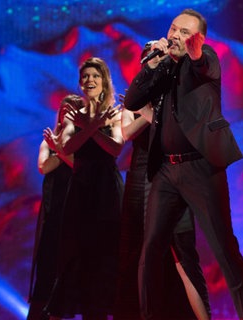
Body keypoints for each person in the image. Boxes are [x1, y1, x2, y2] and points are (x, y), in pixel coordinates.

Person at [123, 9, 243, 319]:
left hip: (201, 167)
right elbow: (131, 102)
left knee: (223, 247)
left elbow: (204, 66)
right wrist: (151, 65)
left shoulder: (205, 59)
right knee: (151, 249)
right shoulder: (164, 67)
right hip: (166, 171)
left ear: (198, 39)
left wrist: (195, 55)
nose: (176, 35)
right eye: (173, 29)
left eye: (185, 32)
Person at [115, 41, 210, 320]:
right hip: (141, 174)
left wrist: (149, 111)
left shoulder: (179, 93)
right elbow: (127, 133)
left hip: (172, 173)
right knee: (140, 254)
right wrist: (148, 110)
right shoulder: (135, 96)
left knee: (183, 255)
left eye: (157, 57)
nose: (152, 61)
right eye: (148, 60)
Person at [44, 57, 124, 320]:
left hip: (107, 191)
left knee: (106, 253)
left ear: (104, 82)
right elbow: (67, 147)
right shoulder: (73, 113)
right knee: (75, 252)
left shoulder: (114, 112)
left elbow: (115, 148)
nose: (89, 80)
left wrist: (94, 126)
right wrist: (92, 125)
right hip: (80, 189)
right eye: (85, 77)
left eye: (95, 76)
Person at [27, 95, 78, 320]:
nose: (65, 114)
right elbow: (43, 166)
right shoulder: (47, 142)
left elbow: (82, 167)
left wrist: (62, 150)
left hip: (76, 212)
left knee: (71, 268)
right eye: (63, 110)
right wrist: (59, 149)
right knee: (47, 268)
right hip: (52, 214)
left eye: (71, 110)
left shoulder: (83, 143)